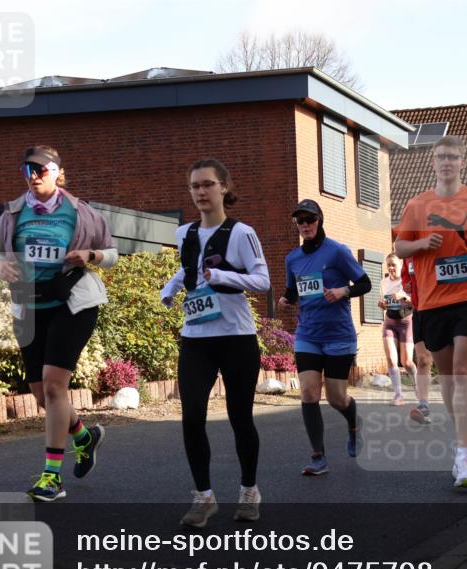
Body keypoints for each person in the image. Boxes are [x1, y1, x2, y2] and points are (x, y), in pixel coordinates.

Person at [0, 146, 116, 502]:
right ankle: (83, 437)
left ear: (57, 172)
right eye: (26, 170)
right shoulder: (13, 213)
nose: (32, 176)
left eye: (40, 170)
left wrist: (88, 255)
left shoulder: (80, 213)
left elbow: (111, 253)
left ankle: (51, 477)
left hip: (73, 303)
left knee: (53, 383)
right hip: (30, 307)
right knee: (41, 394)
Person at [160, 158, 269, 526]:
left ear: (223, 187)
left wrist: (223, 275)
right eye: (194, 186)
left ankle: (249, 491)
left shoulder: (241, 233)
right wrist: (172, 286)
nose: (200, 192)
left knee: (240, 418)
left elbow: (262, 280)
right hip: (196, 338)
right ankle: (203, 497)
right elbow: (190, 270)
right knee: (192, 417)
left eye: (207, 184)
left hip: (236, 338)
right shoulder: (184, 234)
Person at [394, 135, 467, 490]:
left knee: (462, 368)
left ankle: (463, 460)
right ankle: (465, 434)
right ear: (433, 163)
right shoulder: (417, 204)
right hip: (431, 301)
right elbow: (399, 245)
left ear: (461, 163)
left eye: (453, 157)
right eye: (440, 157)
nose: (446, 162)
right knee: (446, 377)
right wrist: (422, 244)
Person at [278, 200, 371, 475]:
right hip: (308, 334)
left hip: (338, 336)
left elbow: (364, 283)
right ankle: (318, 456)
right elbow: (294, 290)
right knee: (308, 392)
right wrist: (286, 298)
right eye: (300, 221)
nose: (305, 225)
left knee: (336, 398)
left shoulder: (338, 252)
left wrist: (344, 291)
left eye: (310, 219)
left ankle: (354, 425)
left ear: (320, 220)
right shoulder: (292, 258)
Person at [378, 253, 416, 406]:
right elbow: (383, 302)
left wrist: (404, 297)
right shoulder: (384, 282)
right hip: (390, 322)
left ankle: (417, 384)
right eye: (389, 265)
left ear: (401, 265)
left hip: (406, 321)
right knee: (392, 360)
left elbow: (416, 302)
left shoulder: (408, 281)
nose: (391, 268)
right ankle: (398, 396)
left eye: (394, 264)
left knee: (406, 362)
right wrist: (382, 304)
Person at [401, 257, 435, 424]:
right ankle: (423, 405)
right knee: (422, 359)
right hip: (418, 311)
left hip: (439, 308)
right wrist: (407, 284)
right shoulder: (408, 256)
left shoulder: (432, 246)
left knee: (448, 361)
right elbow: (406, 275)